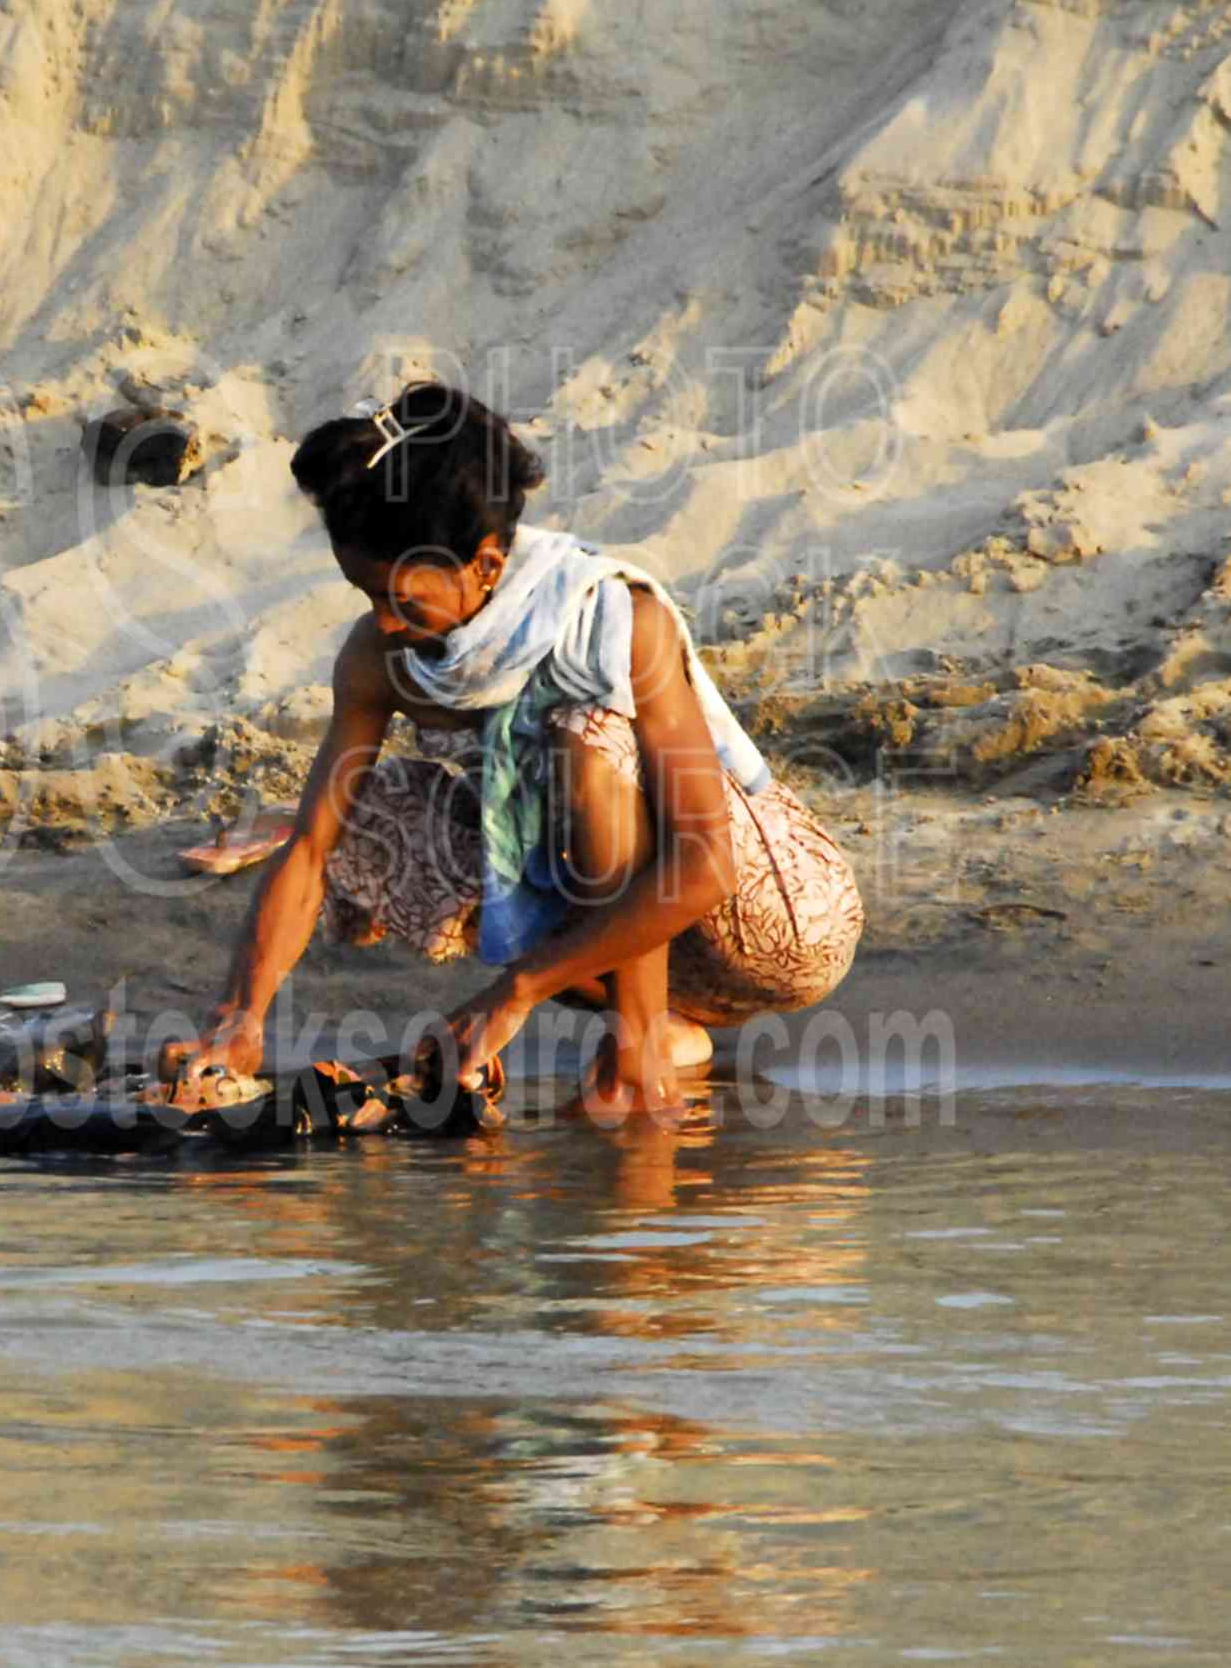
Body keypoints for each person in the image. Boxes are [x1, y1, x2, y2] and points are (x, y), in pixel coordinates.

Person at [163, 382, 865, 1124]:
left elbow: (705, 863)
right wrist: (240, 1014)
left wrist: (515, 992)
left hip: (776, 922)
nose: (386, 623)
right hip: (625, 925)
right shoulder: (378, 659)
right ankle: (657, 1025)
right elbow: (309, 849)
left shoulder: (615, 618)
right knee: (361, 810)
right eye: (366, 594)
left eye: (406, 600)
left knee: (582, 736)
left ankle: (638, 1056)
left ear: (488, 562)